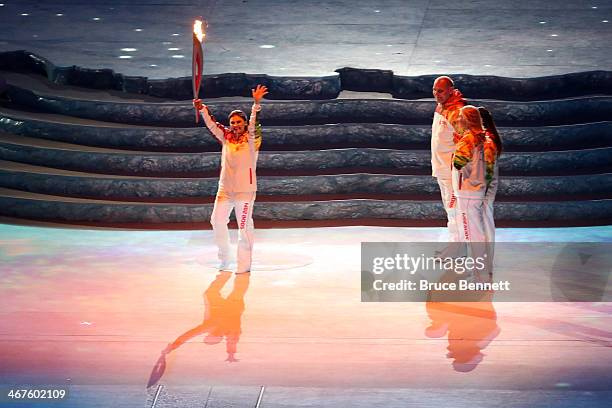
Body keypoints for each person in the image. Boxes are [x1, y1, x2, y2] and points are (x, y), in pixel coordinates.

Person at [193, 84, 268, 273]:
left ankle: (244, 264)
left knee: (243, 227)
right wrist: (201, 108)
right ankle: (225, 256)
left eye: (238, 122)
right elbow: (212, 124)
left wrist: (256, 104)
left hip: (245, 191)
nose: (235, 125)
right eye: (232, 122)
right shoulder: (226, 137)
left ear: (244, 123)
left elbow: (254, 124)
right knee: (217, 221)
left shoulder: (252, 139)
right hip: (225, 189)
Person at [431, 76, 467, 242]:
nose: (436, 94)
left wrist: (458, 167)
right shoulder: (441, 107)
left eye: (440, 91)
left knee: (455, 210)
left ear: (451, 91)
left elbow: (467, 141)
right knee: (449, 208)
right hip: (440, 168)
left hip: (452, 171)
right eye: (434, 90)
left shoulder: (457, 112)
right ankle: (455, 245)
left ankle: (458, 247)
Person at [478, 107, 503, 243]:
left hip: (485, 187)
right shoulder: (485, 137)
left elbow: (488, 169)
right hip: (484, 186)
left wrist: (482, 188)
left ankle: (486, 254)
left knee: (485, 218)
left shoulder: (487, 141)